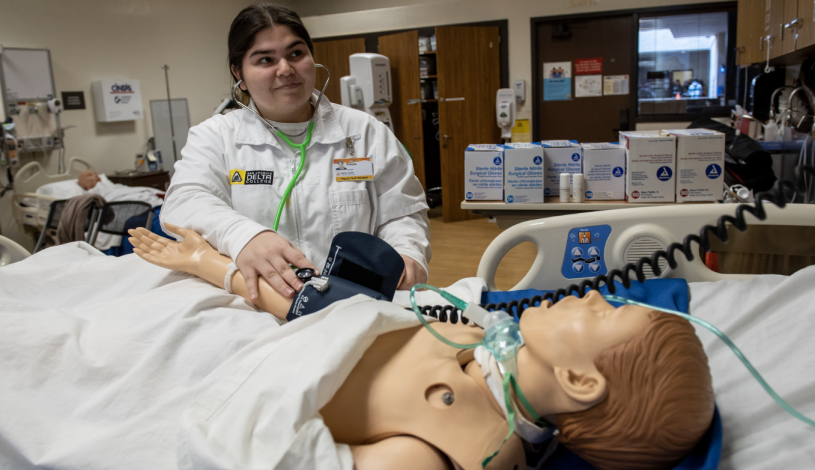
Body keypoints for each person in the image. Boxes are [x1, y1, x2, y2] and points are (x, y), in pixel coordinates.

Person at [125, 225, 715, 469]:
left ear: (581, 381)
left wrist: (217, 270)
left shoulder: (448, 449)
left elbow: (284, 437)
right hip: (284, 308)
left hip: (234, 365)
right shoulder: (483, 334)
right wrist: (218, 265)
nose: (593, 296)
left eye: (604, 312)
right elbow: (359, 314)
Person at [161, 3, 430, 302]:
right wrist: (244, 236)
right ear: (239, 72)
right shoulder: (215, 137)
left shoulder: (364, 131)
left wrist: (408, 252)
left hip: (354, 299)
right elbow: (184, 202)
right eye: (265, 59)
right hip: (256, 304)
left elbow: (402, 212)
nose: (285, 69)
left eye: (295, 54)